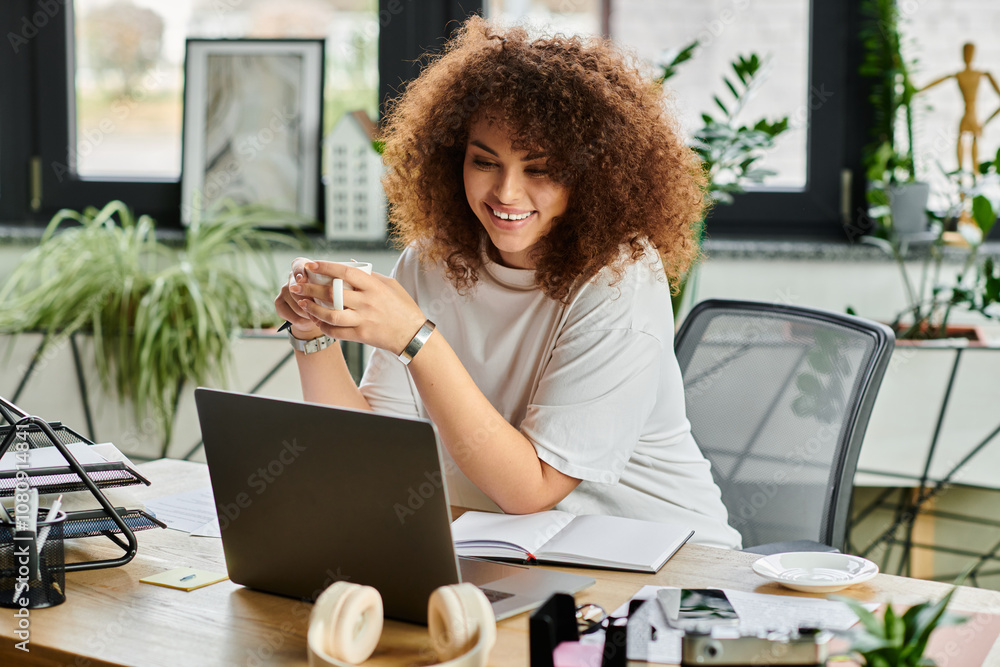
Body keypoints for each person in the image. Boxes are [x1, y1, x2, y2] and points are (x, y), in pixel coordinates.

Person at [275, 16, 742, 550]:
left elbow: (532, 489)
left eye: (540, 169)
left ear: (592, 174)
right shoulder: (430, 263)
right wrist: (312, 336)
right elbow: (372, 456)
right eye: (484, 162)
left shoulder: (619, 279)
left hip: (661, 563)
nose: (506, 193)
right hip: (515, 553)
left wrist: (416, 338)